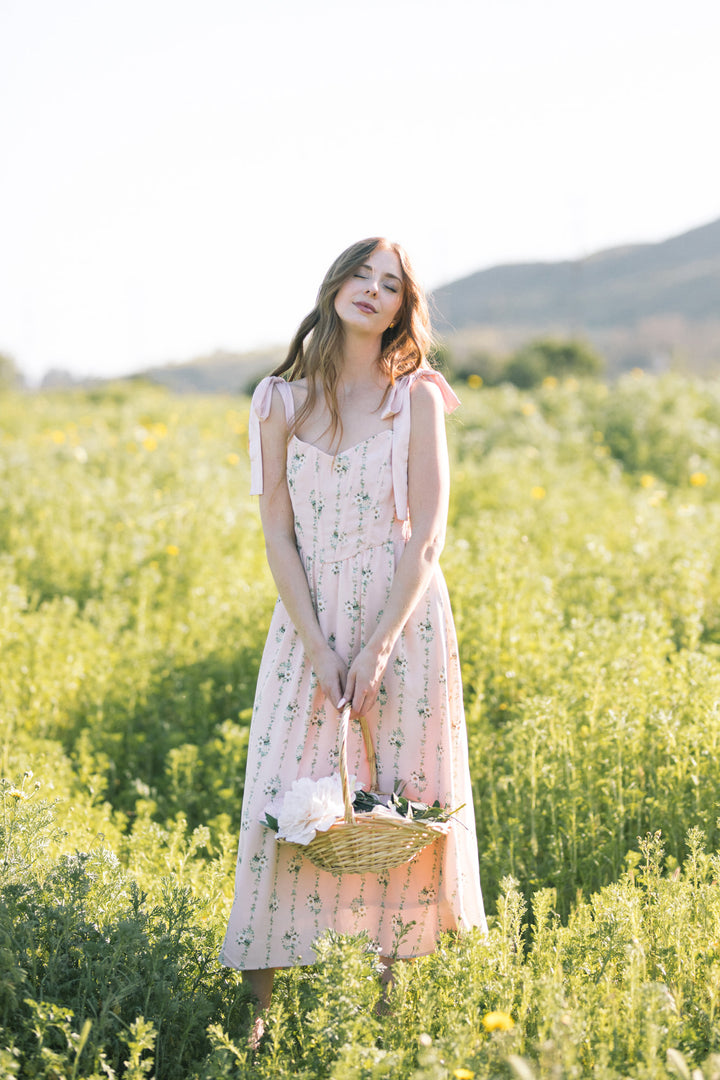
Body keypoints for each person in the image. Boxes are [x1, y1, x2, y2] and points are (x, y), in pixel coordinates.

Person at [220, 237, 487, 1041]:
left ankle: (390, 1014)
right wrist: (319, 646)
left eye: (392, 285)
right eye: (362, 275)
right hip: (306, 620)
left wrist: (371, 649)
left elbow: (428, 538)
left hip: (401, 617)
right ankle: (259, 1018)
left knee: (404, 796)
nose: (374, 291)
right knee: (282, 791)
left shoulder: (419, 400)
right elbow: (276, 535)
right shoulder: (277, 400)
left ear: (404, 308)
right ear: (335, 284)